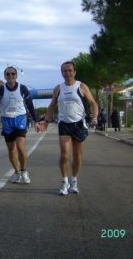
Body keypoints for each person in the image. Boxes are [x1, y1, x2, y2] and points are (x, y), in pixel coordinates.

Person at [42, 61, 98, 196]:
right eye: (65, 71)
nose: (67, 73)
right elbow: (51, 106)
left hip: (79, 124)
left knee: (77, 155)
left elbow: (93, 103)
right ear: (62, 73)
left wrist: (94, 117)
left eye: (70, 70)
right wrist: (46, 121)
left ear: (74, 72)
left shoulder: (82, 87)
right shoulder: (58, 88)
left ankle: (74, 180)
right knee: (64, 154)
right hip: (64, 124)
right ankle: (64, 181)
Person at [0, 66, 42, 184]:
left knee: (20, 147)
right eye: (8, 74)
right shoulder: (1, 89)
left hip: (20, 119)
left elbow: (30, 106)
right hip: (7, 121)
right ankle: (17, 173)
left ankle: (24, 171)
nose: (10, 76)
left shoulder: (23, 88)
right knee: (11, 150)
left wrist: (36, 121)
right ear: (5, 76)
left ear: (16, 75)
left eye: (12, 74)